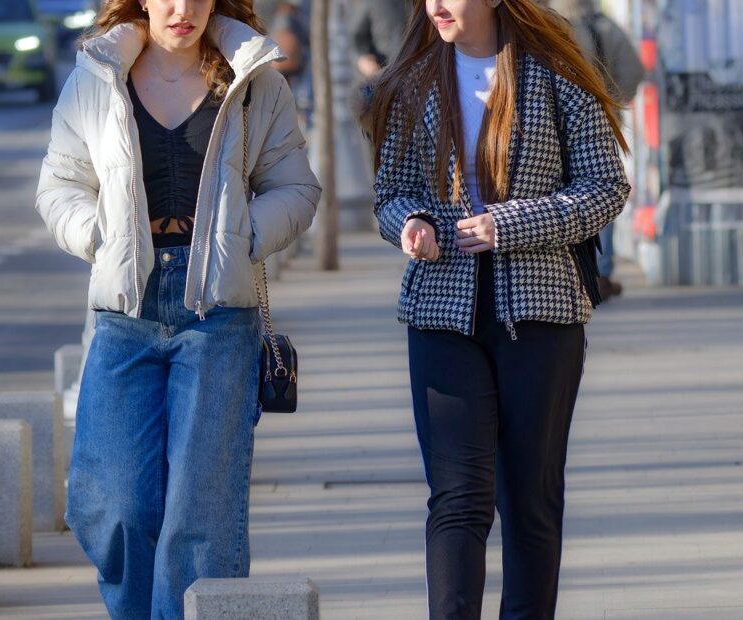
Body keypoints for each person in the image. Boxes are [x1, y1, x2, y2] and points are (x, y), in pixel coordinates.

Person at [35, 0, 320, 617]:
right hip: (124, 312)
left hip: (217, 313)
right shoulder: (96, 75)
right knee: (111, 504)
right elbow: (60, 185)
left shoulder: (253, 79)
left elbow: (295, 186)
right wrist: (103, 239)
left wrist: (241, 240)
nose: (181, 9)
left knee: (202, 514)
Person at [366, 0, 630, 617]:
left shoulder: (555, 74)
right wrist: (409, 222)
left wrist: (508, 225)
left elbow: (606, 187)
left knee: (530, 499)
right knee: (456, 497)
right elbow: (390, 193)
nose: (435, 5)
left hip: (541, 313)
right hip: (441, 312)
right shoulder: (411, 80)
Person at [548, 0, 644, 299]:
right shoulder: (605, 26)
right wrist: (609, 102)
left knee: (556, 197)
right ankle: (600, 271)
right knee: (601, 193)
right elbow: (633, 71)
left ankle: (565, 271)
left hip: (551, 130)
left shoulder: (548, 26)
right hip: (602, 125)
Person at [350, 0, 411, 79]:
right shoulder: (372, 2)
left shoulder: (418, 3)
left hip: (412, 71)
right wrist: (361, 60)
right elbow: (356, 36)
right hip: (382, 74)